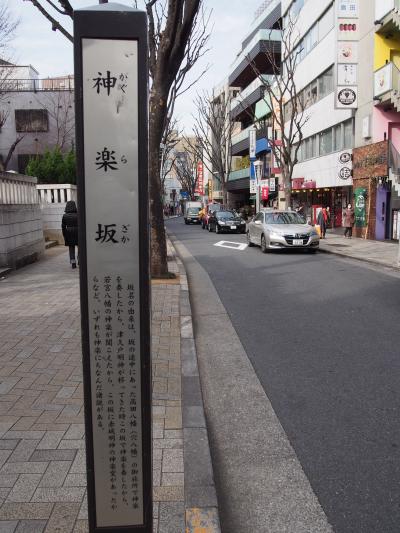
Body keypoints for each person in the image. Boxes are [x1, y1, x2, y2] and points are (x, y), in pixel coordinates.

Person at [62, 200, 78, 269]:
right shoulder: (78, 215)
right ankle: (80, 260)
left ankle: (73, 263)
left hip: (69, 232)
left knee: (71, 248)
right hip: (78, 231)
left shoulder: (65, 216)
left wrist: (64, 234)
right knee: (80, 247)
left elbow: (63, 226)